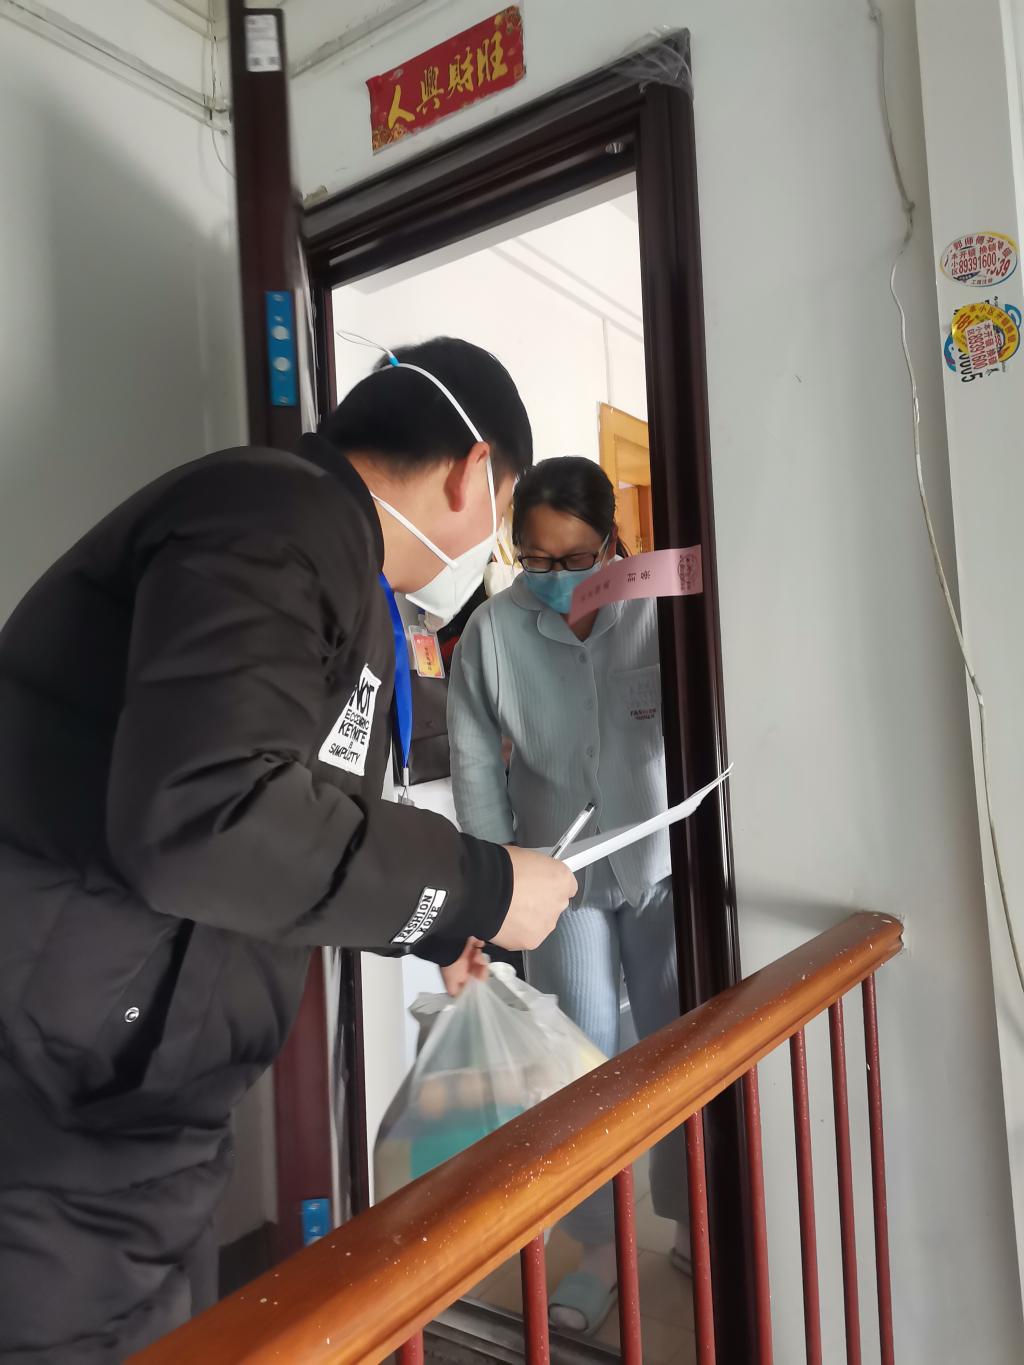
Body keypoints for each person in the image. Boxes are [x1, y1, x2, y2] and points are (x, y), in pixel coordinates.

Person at [0, 337, 577, 1363]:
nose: (487, 551)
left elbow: (293, 822)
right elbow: (207, 816)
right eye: (503, 516)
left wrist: (434, 927)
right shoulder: (275, 521)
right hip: (58, 1093)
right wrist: (478, 886)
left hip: (136, 1092)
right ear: (471, 473)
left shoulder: (336, 568)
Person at [446, 456, 689, 1335]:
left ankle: (690, 1218)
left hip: (664, 862)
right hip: (560, 875)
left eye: (576, 558)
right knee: (577, 1065)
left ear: (612, 541)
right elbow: (476, 768)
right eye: (537, 561)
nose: (555, 578)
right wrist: (494, 891)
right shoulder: (492, 633)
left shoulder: (658, 606)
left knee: (677, 1047)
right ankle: (596, 1249)